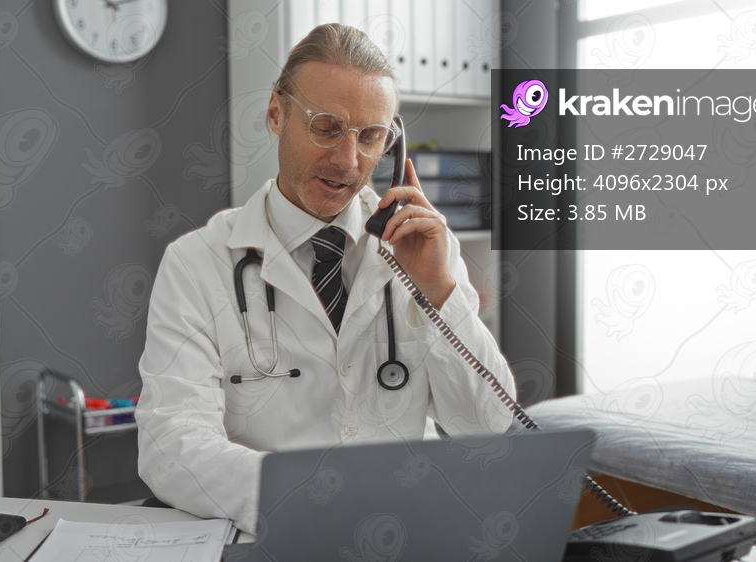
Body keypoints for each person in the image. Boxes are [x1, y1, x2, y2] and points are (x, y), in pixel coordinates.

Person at [136, 23, 515, 534]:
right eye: (326, 127)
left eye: (370, 136)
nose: (348, 160)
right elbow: (171, 447)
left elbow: (488, 426)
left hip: (406, 533)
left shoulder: (425, 250)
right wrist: (316, 500)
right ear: (276, 113)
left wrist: (438, 289)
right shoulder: (196, 263)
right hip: (275, 531)